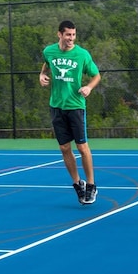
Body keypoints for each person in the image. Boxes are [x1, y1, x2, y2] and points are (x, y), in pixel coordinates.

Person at [40, 20, 101, 205]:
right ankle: (77, 184)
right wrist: (41, 75)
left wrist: (89, 87)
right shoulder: (49, 51)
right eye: (68, 35)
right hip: (57, 107)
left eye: (73, 35)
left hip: (76, 106)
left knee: (82, 148)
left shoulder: (82, 54)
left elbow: (96, 75)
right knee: (64, 148)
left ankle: (91, 185)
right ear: (59, 34)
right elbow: (45, 66)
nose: (71, 39)